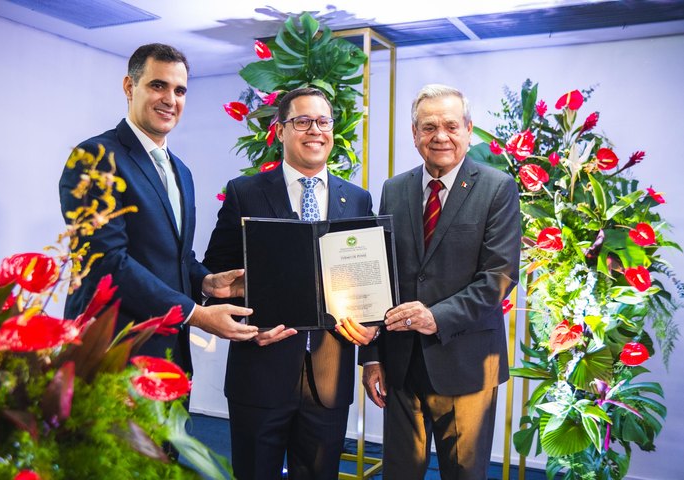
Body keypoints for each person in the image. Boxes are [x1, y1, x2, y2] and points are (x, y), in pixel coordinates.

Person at [203, 87, 379, 480]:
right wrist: (245, 325)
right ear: (280, 131)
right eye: (302, 121)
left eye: (323, 121)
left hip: (329, 377)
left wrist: (372, 329)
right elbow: (215, 274)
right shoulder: (244, 192)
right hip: (259, 372)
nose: (314, 130)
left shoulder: (358, 199)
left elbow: (369, 281)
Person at [58, 43, 258, 376]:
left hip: (169, 354)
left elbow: (174, 256)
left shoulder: (181, 171)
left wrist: (207, 282)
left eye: (179, 90)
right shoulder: (96, 157)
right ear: (129, 87)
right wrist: (195, 314)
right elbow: (108, 262)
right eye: (158, 85)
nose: (170, 99)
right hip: (112, 354)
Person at [359, 84, 521, 479]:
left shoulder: (497, 188)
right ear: (415, 135)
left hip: (466, 364)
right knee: (399, 473)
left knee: (463, 473)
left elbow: (499, 276)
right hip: (400, 365)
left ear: (468, 129)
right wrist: (373, 355)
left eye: (451, 125)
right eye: (428, 127)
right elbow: (381, 275)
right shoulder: (393, 189)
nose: (440, 136)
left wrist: (436, 316)